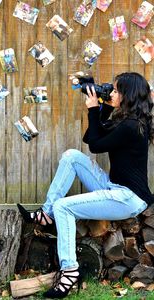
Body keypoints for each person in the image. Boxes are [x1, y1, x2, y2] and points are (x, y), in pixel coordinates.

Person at [17, 72, 154, 298]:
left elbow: (95, 145)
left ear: (128, 95)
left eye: (117, 90)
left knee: (64, 206)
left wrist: (94, 109)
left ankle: (69, 271)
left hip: (127, 198)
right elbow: (91, 139)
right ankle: (46, 213)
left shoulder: (131, 125)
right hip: (115, 187)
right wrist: (105, 108)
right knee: (71, 156)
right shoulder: (128, 120)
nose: (112, 93)